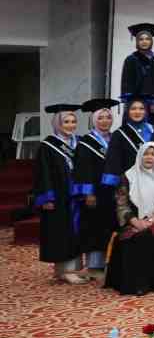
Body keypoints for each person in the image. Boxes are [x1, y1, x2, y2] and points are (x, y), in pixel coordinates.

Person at [35, 104, 94, 284]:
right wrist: (47, 197)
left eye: (73, 121)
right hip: (59, 197)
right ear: (57, 124)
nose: (70, 125)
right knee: (61, 232)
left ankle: (75, 268)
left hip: (77, 196)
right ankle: (64, 270)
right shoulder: (47, 146)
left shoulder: (80, 142)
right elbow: (43, 173)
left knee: (77, 231)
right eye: (66, 122)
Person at [104, 141, 154, 296]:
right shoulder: (128, 176)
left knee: (147, 236)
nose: (149, 157)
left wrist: (150, 222)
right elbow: (122, 204)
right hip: (132, 220)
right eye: (146, 154)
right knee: (132, 237)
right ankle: (131, 285)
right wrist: (135, 221)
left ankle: (146, 284)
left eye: (153, 154)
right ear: (140, 156)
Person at [76, 98, 119, 277]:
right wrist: (89, 193)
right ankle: (93, 266)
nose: (105, 121)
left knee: (112, 226)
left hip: (114, 191)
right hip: (96, 193)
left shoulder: (116, 138)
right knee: (95, 227)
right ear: (93, 120)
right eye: (100, 118)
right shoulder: (86, 142)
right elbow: (83, 169)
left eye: (108, 117)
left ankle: (110, 264)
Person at [121, 23, 154, 104]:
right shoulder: (131, 59)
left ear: (151, 41)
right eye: (141, 39)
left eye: (147, 39)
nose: (144, 42)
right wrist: (129, 102)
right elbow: (126, 85)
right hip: (136, 103)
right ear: (137, 41)